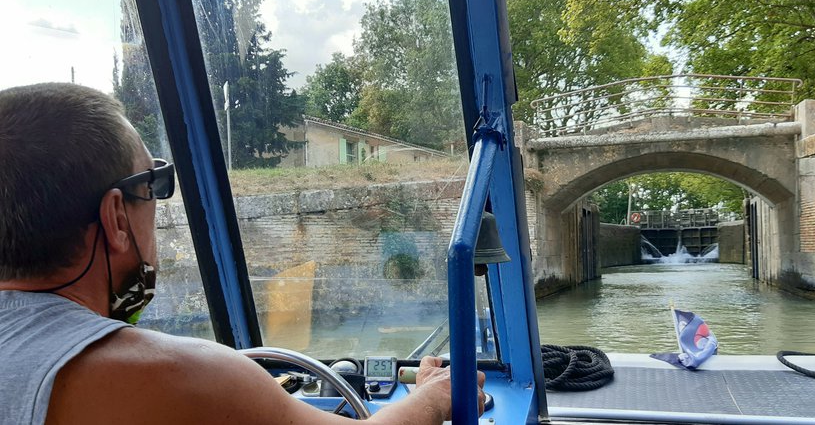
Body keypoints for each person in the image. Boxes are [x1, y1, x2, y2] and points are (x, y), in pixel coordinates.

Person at [0, 83, 484, 425]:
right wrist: (437, 395)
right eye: (154, 183)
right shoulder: (173, 376)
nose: (157, 201)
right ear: (116, 218)